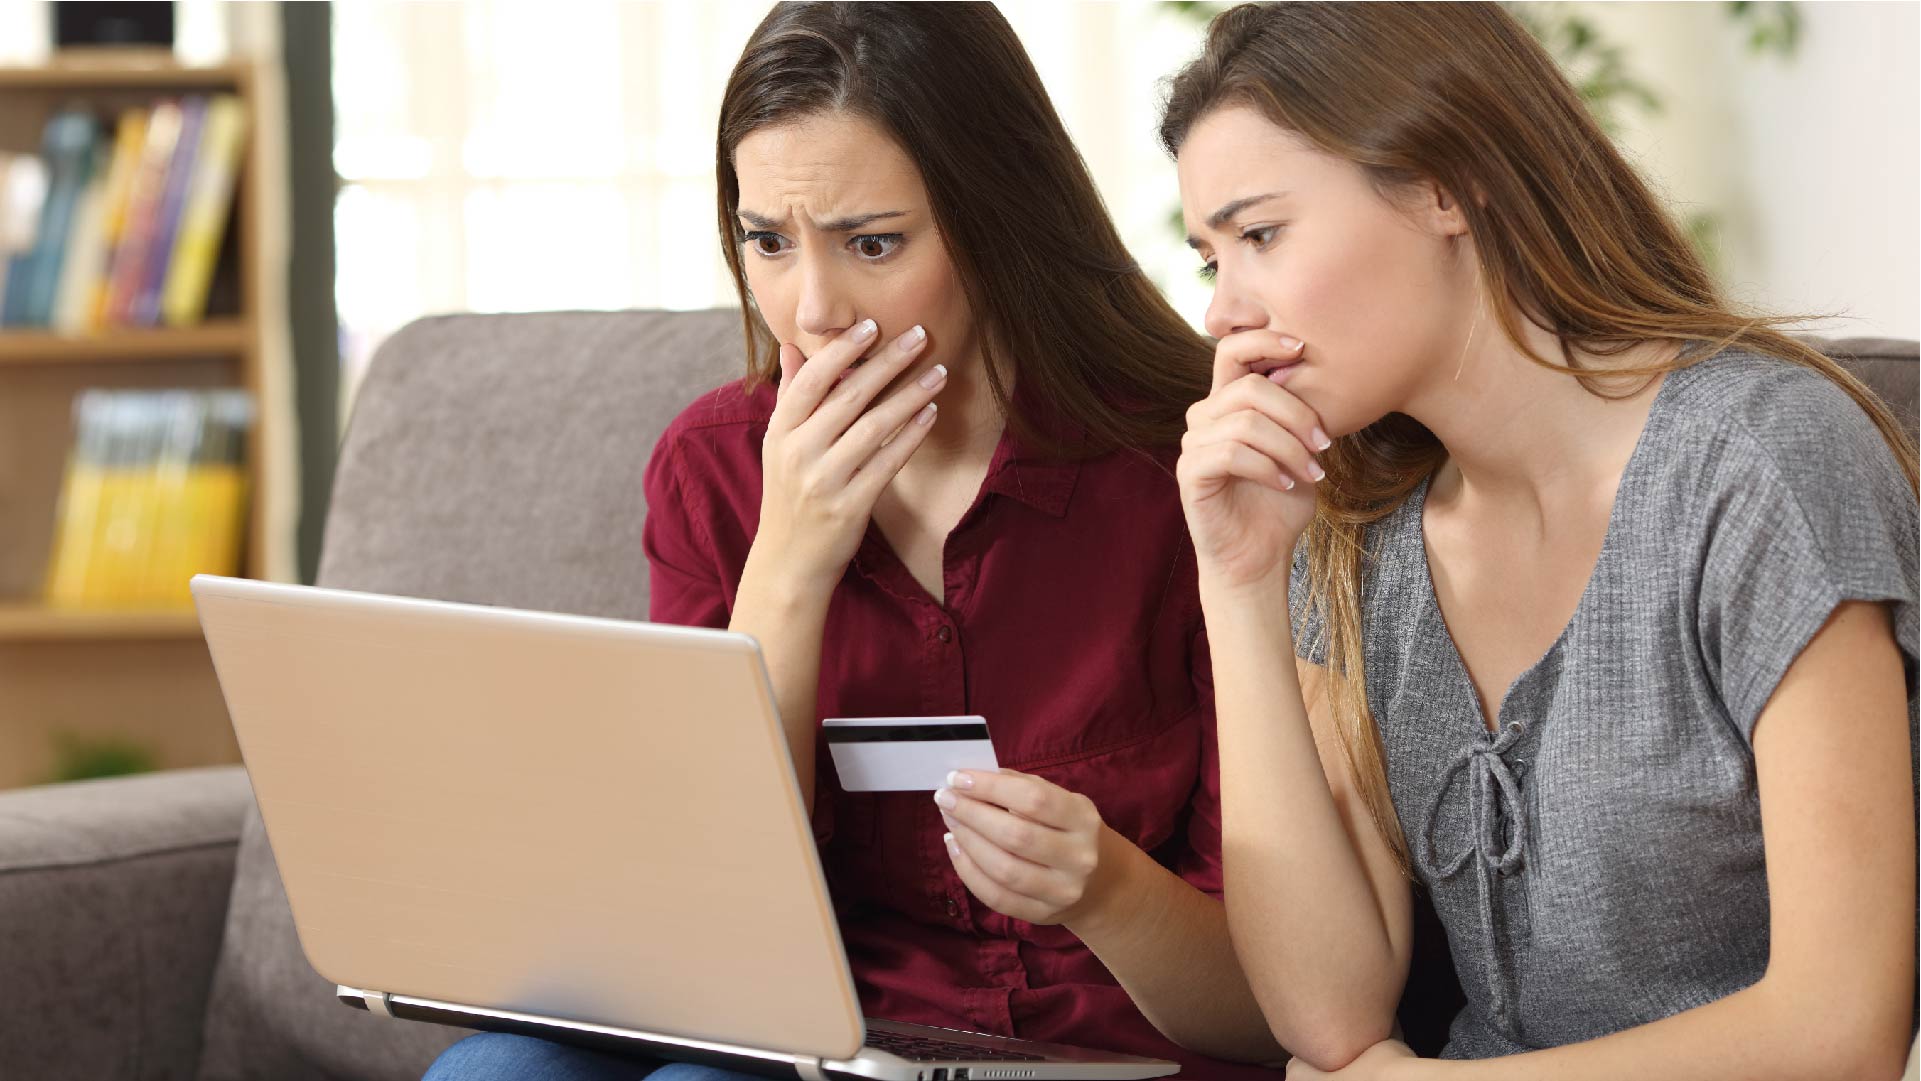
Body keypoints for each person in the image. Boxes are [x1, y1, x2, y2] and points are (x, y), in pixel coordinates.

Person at [427, 3, 1285, 1078]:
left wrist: (1103, 889)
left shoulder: (1185, 475)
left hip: (1095, 1049)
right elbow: (696, 920)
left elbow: (1271, 1007)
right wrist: (788, 564)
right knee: (497, 1070)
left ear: (995, 218)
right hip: (816, 1035)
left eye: (872, 243)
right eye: (767, 243)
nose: (813, 310)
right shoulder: (713, 472)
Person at [1166, 3, 1919, 1078]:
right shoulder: (1357, 537)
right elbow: (1324, 1016)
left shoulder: (1759, 463)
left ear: (1442, 184)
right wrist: (1235, 583)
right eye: (1208, 260)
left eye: (1259, 235)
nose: (1221, 312)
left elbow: (1838, 1033)